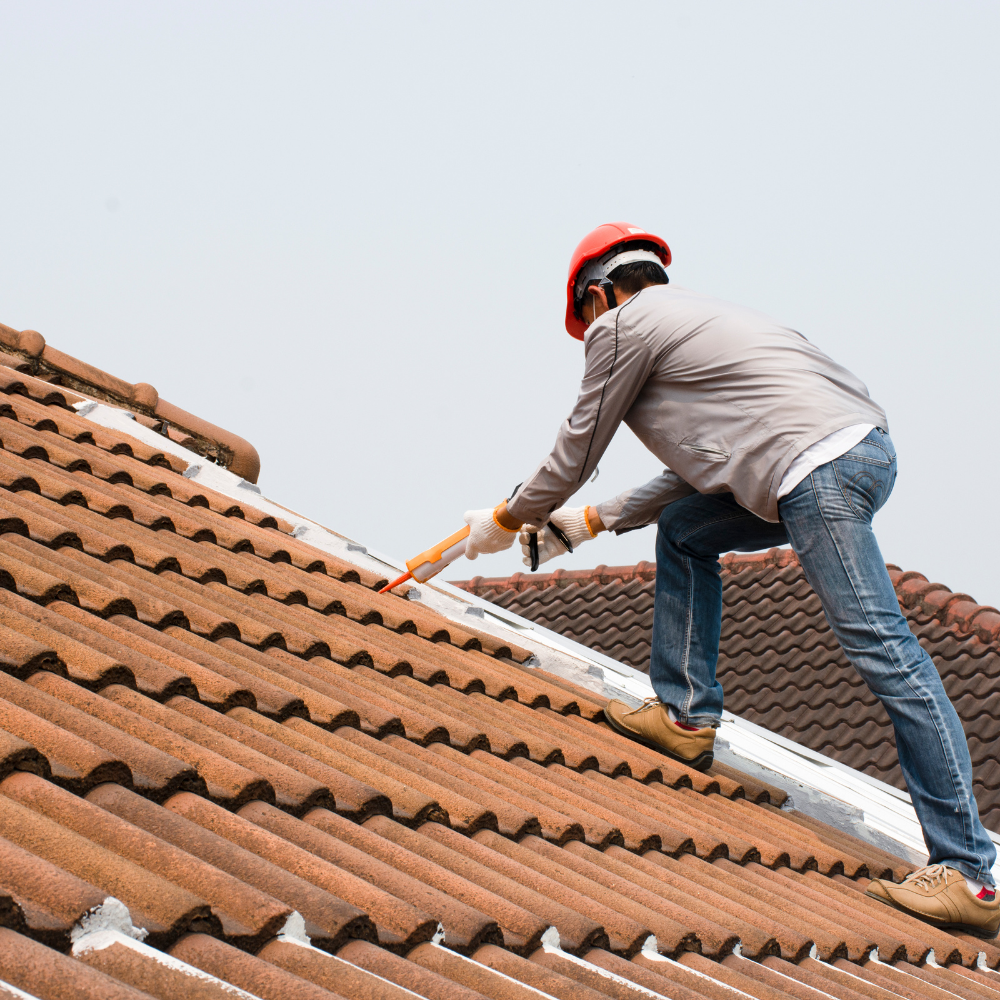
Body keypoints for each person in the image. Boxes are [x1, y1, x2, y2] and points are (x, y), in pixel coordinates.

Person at [461, 222, 999, 937]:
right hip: (856, 456)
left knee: (885, 649)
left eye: (586, 317)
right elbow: (692, 473)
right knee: (686, 530)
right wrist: (586, 524)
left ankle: (967, 871)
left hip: (813, 471)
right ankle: (686, 715)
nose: (589, 334)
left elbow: (578, 447)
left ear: (599, 293)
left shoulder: (621, 327)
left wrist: (509, 515)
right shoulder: (709, 322)